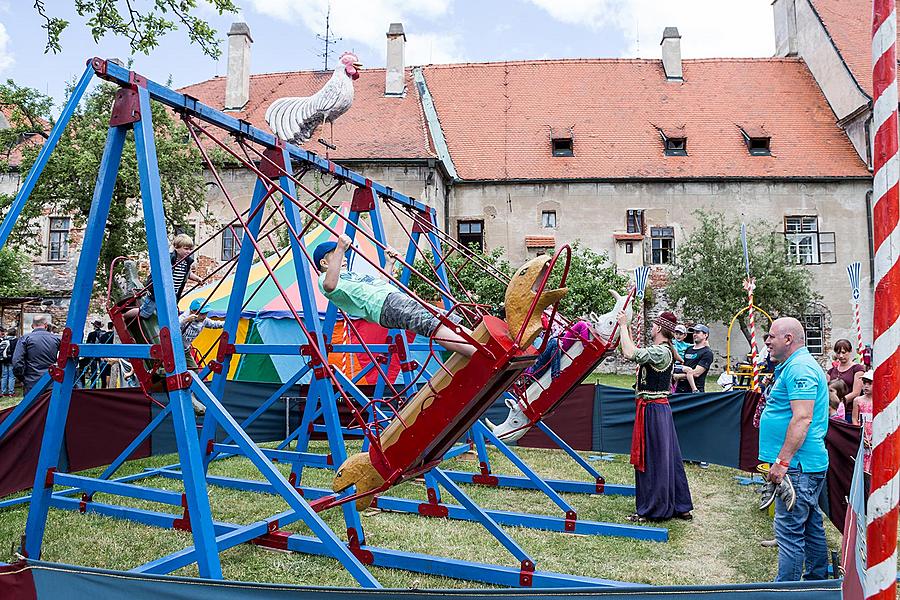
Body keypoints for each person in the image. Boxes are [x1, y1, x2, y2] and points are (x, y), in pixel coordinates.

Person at [314, 234, 474, 357]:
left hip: (391, 298)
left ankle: (481, 342)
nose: (343, 257)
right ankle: (478, 352)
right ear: (324, 263)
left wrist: (388, 264)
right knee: (433, 326)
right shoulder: (325, 279)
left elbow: (380, 285)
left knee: (443, 318)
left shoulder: (351, 275)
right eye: (336, 254)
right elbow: (329, 285)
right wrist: (340, 248)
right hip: (383, 305)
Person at [759, 317, 829, 581]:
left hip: (798, 467)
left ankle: (786, 591)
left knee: (788, 532)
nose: (767, 342)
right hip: (802, 466)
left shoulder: (800, 368)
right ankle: (817, 584)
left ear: (788, 339)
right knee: (811, 528)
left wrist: (782, 462)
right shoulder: (792, 366)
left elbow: (802, 418)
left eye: (771, 337)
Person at [616, 309, 693, 522]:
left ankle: (654, 509)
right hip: (658, 409)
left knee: (654, 459)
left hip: (653, 409)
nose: (651, 328)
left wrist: (623, 325)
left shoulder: (660, 351)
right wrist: (628, 327)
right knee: (668, 457)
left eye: (653, 326)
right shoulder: (665, 350)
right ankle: (680, 504)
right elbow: (634, 349)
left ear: (659, 328)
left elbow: (630, 353)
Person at [123, 234, 202, 321]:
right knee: (144, 313)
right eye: (186, 249)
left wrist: (197, 279)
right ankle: (125, 316)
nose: (188, 252)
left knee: (172, 313)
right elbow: (159, 271)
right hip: (157, 292)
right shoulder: (169, 259)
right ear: (176, 247)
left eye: (190, 249)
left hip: (172, 294)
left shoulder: (186, 262)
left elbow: (187, 274)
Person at [12, 316, 61, 396]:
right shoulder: (56, 338)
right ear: (46, 325)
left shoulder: (25, 338)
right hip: (51, 380)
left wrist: (21, 377)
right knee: (50, 406)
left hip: (31, 381)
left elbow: (17, 361)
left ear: (32, 325)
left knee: (33, 407)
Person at [179, 298, 225, 370]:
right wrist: (186, 320)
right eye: (202, 314)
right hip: (175, 349)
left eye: (206, 314)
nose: (204, 317)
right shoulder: (183, 318)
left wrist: (227, 323)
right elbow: (173, 328)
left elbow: (214, 324)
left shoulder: (204, 320)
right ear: (192, 312)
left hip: (185, 350)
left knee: (195, 371)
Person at [826, 339, 864, 422]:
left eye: (843, 352)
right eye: (838, 353)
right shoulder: (831, 371)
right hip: (832, 413)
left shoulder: (857, 369)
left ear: (850, 351)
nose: (841, 356)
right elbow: (826, 391)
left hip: (850, 412)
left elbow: (856, 392)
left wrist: (840, 402)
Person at [673, 324, 714, 393]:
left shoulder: (707, 353)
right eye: (694, 332)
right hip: (680, 390)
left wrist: (677, 376)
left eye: (698, 332)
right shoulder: (688, 349)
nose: (694, 334)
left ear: (705, 335)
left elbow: (696, 373)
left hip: (695, 392)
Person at [852, 369, 874, 474]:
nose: (866, 386)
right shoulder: (858, 400)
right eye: (864, 383)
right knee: (863, 465)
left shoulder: (879, 401)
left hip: (874, 435)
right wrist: (860, 435)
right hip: (863, 435)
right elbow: (854, 419)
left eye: (870, 383)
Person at [84, 320, 105, 388]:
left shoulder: (91, 334)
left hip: (93, 355)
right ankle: (103, 386)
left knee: (94, 372)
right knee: (102, 372)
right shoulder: (104, 333)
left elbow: (88, 344)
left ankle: (93, 386)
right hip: (102, 354)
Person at [0, 326, 16, 397]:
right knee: (11, 376)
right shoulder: (16, 341)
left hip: (3, 360)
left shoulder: (4, 340)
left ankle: (3, 392)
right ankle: (11, 392)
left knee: (4, 376)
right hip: (11, 360)